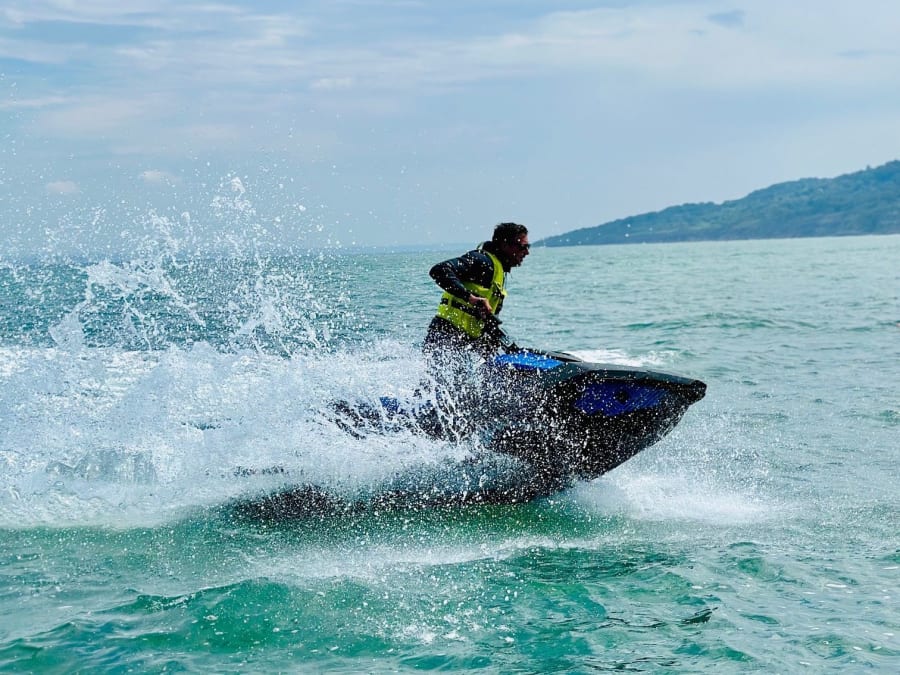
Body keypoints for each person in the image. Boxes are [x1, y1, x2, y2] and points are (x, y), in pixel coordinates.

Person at [422, 221, 530, 372]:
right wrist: (470, 298)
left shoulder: (498, 272)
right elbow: (439, 270)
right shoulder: (482, 261)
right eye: (523, 247)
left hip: (464, 340)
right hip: (445, 334)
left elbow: (482, 319)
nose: (526, 252)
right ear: (505, 245)